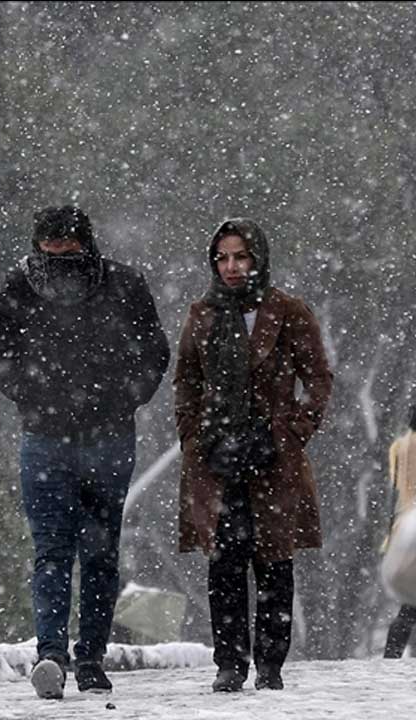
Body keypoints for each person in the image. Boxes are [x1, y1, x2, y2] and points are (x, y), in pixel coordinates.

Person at [0, 205, 170, 699]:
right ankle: (55, 654)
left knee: (93, 553)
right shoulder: (21, 287)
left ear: (85, 243)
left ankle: (85, 655)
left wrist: (118, 396)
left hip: (100, 438)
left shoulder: (125, 286)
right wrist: (36, 394)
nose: (60, 256)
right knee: (58, 551)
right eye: (52, 246)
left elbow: (153, 353)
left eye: (68, 246)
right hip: (50, 437)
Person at [173, 217, 333, 692]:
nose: (231, 267)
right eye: (222, 257)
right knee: (223, 563)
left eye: (240, 256)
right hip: (216, 459)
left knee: (273, 562)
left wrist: (290, 430)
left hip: (272, 457)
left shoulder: (287, 310)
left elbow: (319, 379)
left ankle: (270, 665)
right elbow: (186, 382)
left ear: (257, 257)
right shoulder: (202, 314)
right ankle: (229, 663)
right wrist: (195, 437)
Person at [383, 404, 416, 659]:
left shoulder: (401, 446)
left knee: (409, 604)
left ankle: (392, 654)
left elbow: (396, 489)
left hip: (405, 526)